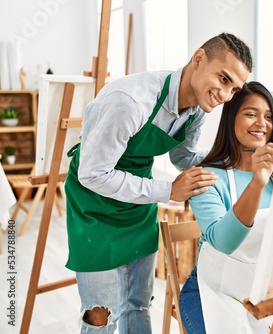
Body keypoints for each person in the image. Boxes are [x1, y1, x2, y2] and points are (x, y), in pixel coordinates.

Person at [64, 32, 253, 334]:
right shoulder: (130, 102)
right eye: (223, 79)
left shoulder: (196, 109)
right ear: (199, 59)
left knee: (137, 304)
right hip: (94, 208)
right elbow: (93, 174)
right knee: (101, 318)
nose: (225, 95)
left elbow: (184, 156)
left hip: (137, 208)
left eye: (234, 89)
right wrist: (168, 191)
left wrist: (238, 158)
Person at [179, 81, 273, 333]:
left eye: (268, 117)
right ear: (231, 118)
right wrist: (256, 182)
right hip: (212, 291)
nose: (261, 123)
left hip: (267, 291)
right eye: (251, 114)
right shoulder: (207, 177)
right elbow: (223, 242)